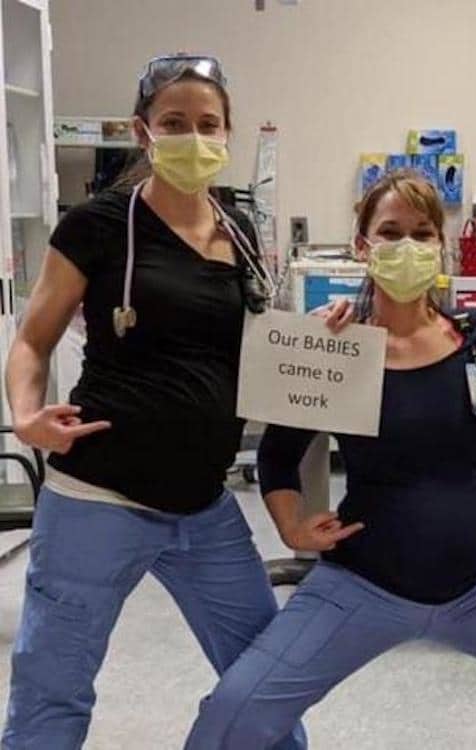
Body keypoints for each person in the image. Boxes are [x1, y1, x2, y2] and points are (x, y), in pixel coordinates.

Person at [183, 172, 476, 750]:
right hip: (362, 585)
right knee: (232, 714)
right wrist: (292, 526)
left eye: (422, 233)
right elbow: (280, 457)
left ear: (441, 245)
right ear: (362, 246)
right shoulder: (339, 346)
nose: (406, 246)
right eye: (390, 232)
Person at [2, 55, 304, 750]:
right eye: (174, 123)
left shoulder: (239, 233)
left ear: (226, 135)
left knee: (268, 675)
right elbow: (31, 341)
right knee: (54, 686)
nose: (192, 139)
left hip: (204, 504)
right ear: (143, 131)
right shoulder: (100, 226)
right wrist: (26, 416)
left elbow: (266, 346)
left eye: (207, 124)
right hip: (98, 497)